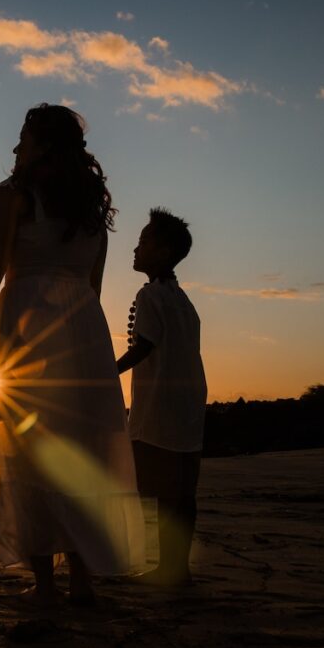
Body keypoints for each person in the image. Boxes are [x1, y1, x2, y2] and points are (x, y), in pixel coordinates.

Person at [0, 104, 144, 607]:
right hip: (82, 331)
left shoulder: (12, 196)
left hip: (27, 328)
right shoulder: (90, 209)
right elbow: (94, 287)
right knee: (83, 450)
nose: (16, 149)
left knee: (31, 449)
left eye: (23, 139)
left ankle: (45, 584)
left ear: (44, 145)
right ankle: (81, 578)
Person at [116, 208, 207, 587]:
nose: (135, 248)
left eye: (144, 242)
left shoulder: (151, 294)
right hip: (188, 405)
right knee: (184, 492)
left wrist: (108, 371)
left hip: (160, 408)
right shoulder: (182, 299)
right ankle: (178, 566)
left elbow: (144, 346)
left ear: (164, 250)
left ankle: (169, 568)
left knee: (161, 492)